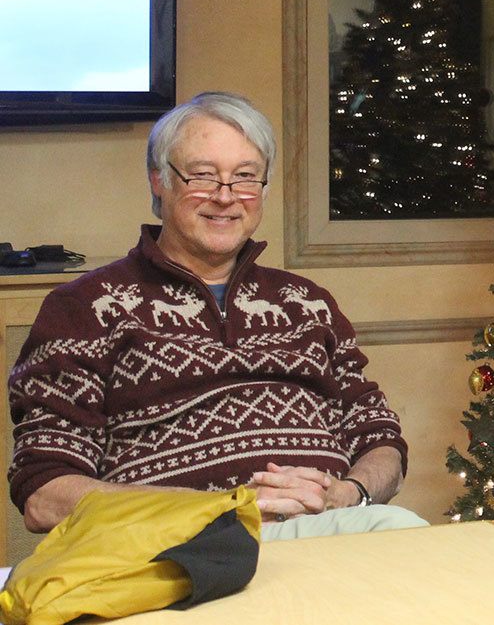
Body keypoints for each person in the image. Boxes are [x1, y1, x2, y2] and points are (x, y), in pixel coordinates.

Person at [8, 92, 424, 538]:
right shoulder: (85, 307)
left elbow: (380, 441)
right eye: (203, 176)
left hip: (330, 527)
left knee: (412, 541)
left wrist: (348, 493)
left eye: (245, 178)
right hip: (182, 541)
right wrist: (223, 507)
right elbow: (44, 494)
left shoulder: (309, 302)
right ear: (158, 181)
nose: (226, 198)